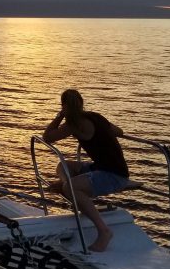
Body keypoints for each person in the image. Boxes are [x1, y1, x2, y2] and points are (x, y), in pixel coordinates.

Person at [42, 88, 128, 251]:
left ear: (65, 106)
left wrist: (59, 116)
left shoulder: (73, 125)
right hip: (104, 167)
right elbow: (119, 131)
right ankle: (68, 190)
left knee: (70, 187)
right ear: (81, 104)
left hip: (114, 175)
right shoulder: (96, 117)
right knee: (63, 166)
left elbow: (48, 137)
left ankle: (104, 231)